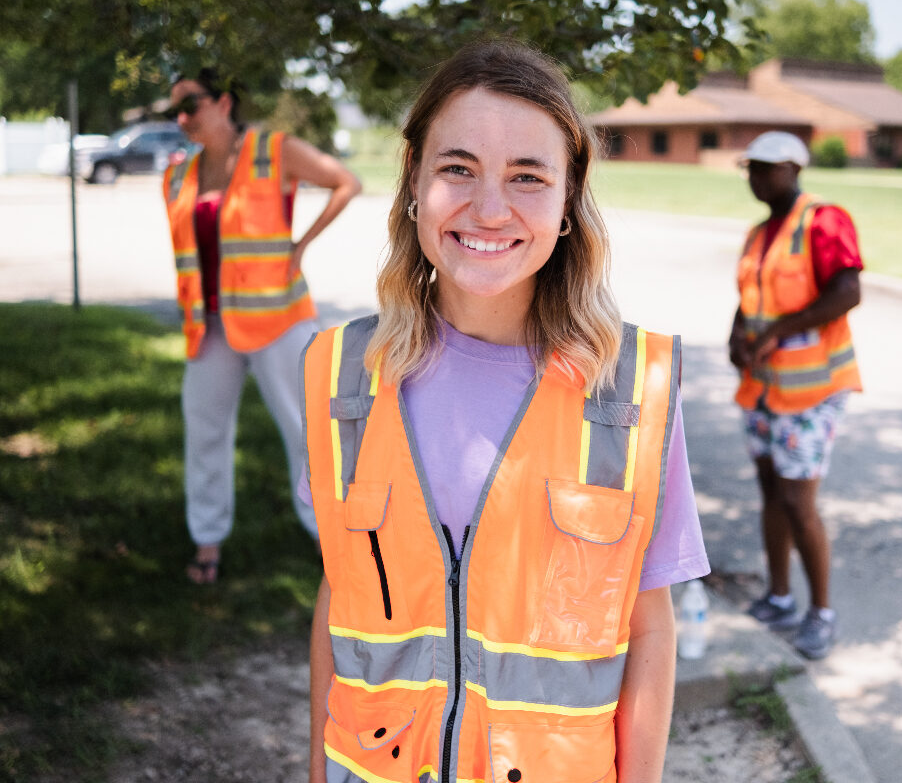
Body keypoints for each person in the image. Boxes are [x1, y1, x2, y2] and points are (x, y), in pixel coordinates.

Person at [301, 41, 709, 783]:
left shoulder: (631, 390)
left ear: (566, 204)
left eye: (527, 177)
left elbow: (649, 628)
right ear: (414, 184)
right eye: (458, 168)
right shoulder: (340, 374)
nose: (489, 209)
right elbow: (341, 595)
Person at [162, 67, 362, 584]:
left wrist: (301, 245)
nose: (182, 118)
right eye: (174, 111)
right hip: (210, 327)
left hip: (278, 317)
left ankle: (331, 543)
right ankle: (207, 542)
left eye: (191, 105)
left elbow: (346, 182)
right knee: (204, 433)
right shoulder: (178, 174)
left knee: (308, 433)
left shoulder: (273, 150)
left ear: (224, 102)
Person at [728, 131, 863, 660]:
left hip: (811, 391)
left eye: (766, 168)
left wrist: (781, 331)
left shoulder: (824, 221)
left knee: (798, 501)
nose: (756, 178)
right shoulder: (760, 233)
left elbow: (847, 291)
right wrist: (737, 338)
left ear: (794, 168)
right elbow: (748, 299)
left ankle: (820, 612)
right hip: (763, 386)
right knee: (771, 493)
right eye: (751, 169)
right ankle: (779, 596)